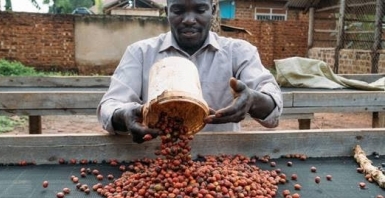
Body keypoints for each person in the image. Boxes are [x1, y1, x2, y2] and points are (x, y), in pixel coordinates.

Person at [97, 0, 283, 143]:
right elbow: (110, 105)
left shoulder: (239, 52)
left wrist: (253, 100)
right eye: (178, 11)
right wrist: (125, 115)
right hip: (156, 158)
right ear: (166, 12)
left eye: (200, 10)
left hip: (222, 158)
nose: (189, 20)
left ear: (213, 11)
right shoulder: (140, 53)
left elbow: (272, 106)